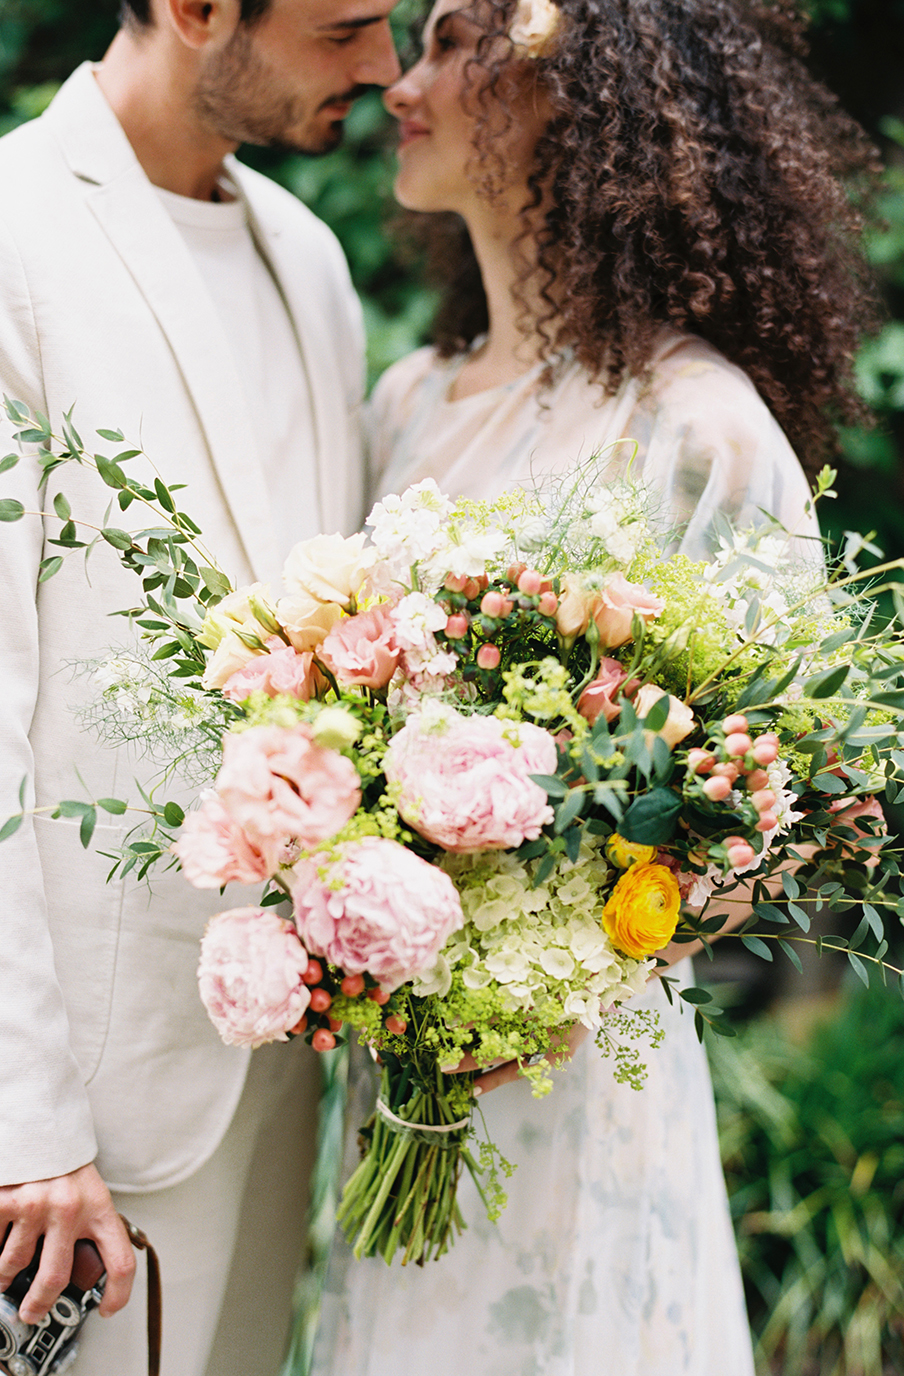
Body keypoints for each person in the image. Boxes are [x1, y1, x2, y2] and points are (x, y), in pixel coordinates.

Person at [312, 1, 878, 1372]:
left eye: (452, 43)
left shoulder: (693, 429)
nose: (404, 81)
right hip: (396, 1074)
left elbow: (788, 808)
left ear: (572, 90)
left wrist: (552, 978)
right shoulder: (406, 403)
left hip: (576, 1088)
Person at [0, 2, 400, 1374]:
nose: (386, 68)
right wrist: (23, 1118)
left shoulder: (311, 255)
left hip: (286, 1055)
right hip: (93, 1104)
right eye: (347, 26)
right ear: (195, 10)